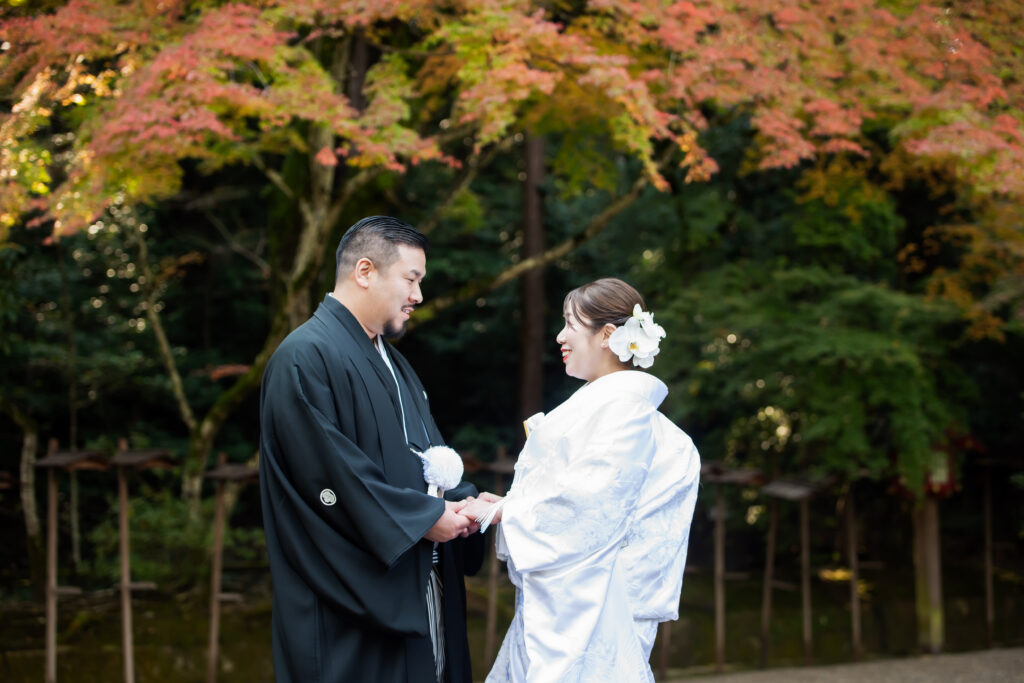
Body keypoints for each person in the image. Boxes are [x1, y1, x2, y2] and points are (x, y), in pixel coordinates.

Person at [259, 216, 484, 683]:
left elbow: (422, 462)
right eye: (411, 279)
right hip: (348, 603)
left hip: (420, 582)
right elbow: (333, 478)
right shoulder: (304, 356)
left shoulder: (393, 362)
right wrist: (423, 519)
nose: (418, 296)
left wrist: (463, 504)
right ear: (365, 271)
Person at [462, 278, 701, 683]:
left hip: (589, 603)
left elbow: (593, 502)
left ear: (608, 335)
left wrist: (510, 510)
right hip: (571, 596)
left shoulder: (624, 411)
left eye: (570, 324)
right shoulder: (611, 406)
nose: (560, 336)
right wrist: (509, 507)